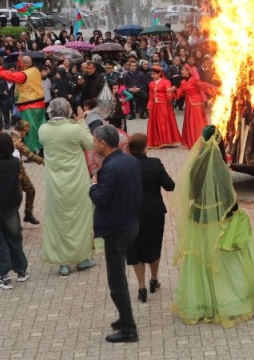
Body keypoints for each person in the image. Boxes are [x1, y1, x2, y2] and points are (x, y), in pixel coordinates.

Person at [173, 125, 254, 326]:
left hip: (198, 219)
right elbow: (227, 198)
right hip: (221, 221)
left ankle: (204, 302)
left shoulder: (195, 165)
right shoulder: (221, 168)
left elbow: (189, 194)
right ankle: (230, 302)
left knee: (202, 260)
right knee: (225, 261)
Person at [89, 125, 143, 343]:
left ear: (103, 143)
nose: (93, 145)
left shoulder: (110, 168)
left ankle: (128, 328)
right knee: (118, 277)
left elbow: (101, 198)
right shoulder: (130, 160)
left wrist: (93, 186)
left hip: (116, 229)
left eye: (94, 141)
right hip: (131, 223)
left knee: (117, 281)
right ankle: (123, 318)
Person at [38, 98, 96, 275]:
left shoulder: (43, 130)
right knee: (80, 217)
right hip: (77, 179)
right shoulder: (75, 129)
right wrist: (82, 122)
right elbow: (91, 144)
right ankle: (82, 258)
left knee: (58, 219)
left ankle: (62, 262)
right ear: (68, 110)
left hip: (55, 181)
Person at [126, 132, 175, 303]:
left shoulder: (125, 166)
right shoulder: (155, 164)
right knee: (154, 245)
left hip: (132, 213)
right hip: (154, 211)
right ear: (145, 147)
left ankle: (141, 286)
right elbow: (170, 186)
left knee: (135, 248)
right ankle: (154, 278)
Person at [0, 133, 30, 290]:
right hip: (12, 205)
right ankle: (21, 270)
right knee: (14, 237)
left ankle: (4, 276)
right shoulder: (15, 162)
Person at [0, 56, 47, 154]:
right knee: (40, 127)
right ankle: (42, 148)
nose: (18, 65)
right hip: (40, 104)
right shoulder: (35, 71)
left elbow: (10, 76)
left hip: (29, 106)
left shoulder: (25, 74)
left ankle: (31, 151)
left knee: (29, 129)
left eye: (19, 63)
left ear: (24, 64)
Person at [175, 65, 215, 149]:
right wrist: (173, 90)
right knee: (190, 123)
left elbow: (203, 86)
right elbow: (180, 93)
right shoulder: (183, 81)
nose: (181, 71)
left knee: (197, 123)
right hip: (190, 104)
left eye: (183, 70)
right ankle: (191, 141)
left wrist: (215, 90)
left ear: (188, 71)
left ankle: (200, 142)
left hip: (196, 104)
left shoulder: (194, 80)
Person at [146, 66, 182, 148]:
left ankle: (165, 141)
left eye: (154, 74)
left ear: (159, 74)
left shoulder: (166, 82)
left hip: (164, 105)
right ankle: (157, 142)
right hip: (155, 105)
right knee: (155, 123)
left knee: (163, 122)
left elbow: (169, 95)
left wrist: (169, 94)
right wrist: (149, 107)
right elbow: (151, 96)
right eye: (152, 74)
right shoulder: (151, 84)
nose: (153, 76)